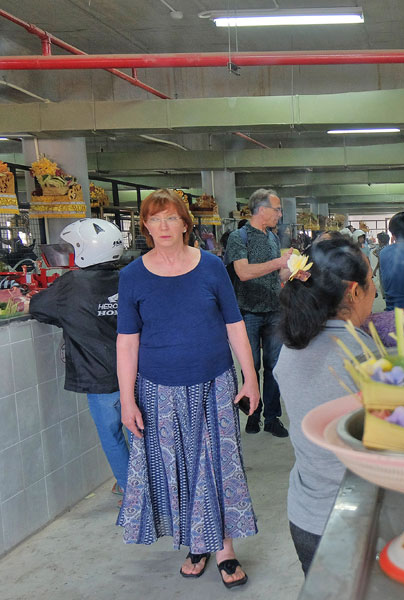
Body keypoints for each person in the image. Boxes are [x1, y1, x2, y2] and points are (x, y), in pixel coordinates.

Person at [116, 189, 258, 588]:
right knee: (177, 468)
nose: (163, 226)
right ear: (145, 226)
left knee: (217, 465)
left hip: (214, 381)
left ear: (185, 223)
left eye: (171, 218)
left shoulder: (211, 267)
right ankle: (197, 543)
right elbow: (127, 342)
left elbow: (234, 324)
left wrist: (250, 376)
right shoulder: (132, 276)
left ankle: (224, 549)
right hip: (157, 388)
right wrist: (127, 400)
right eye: (154, 219)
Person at [273, 236, 377, 576]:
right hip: (357, 520)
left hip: (306, 516)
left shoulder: (292, 345)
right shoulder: (362, 355)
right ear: (353, 291)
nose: (375, 290)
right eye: (371, 280)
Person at [28, 218, 129, 501]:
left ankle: (131, 490)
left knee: (112, 436)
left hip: (99, 379)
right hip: (136, 374)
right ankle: (151, 488)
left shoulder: (71, 284)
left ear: (85, 250)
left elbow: (39, 308)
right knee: (141, 434)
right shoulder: (129, 277)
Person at [225, 188, 292, 436]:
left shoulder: (272, 237)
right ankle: (253, 413)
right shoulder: (238, 237)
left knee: (274, 367)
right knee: (250, 366)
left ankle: (272, 417)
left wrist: (293, 271)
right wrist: (278, 262)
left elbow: (277, 276)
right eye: (277, 209)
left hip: (275, 310)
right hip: (248, 312)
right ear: (261, 210)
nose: (280, 214)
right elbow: (243, 272)